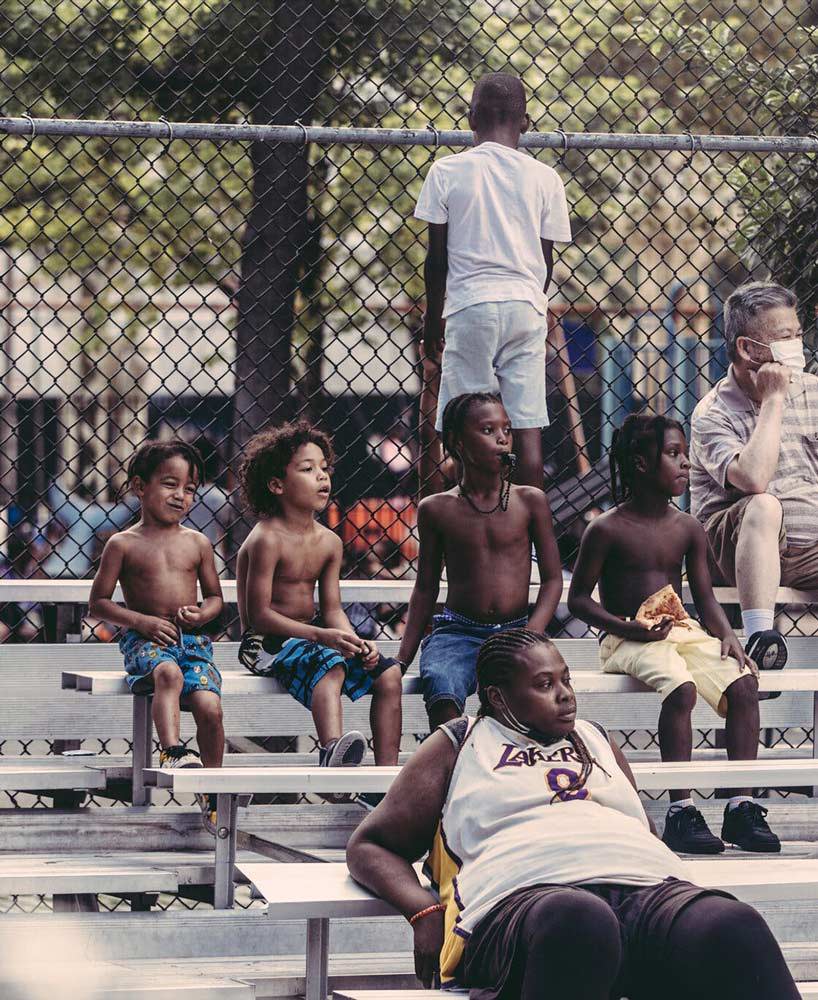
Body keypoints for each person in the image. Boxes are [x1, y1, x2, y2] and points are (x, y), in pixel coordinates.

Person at [347, 630, 798, 1000]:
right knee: (580, 923)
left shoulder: (595, 736)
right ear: (498, 698)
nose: (565, 697)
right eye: (545, 686)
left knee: (733, 926)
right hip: (522, 900)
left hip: (644, 887)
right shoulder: (459, 742)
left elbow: (640, 826)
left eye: (566, 680)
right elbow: (370, 845)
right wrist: (422, 912)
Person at [567, 413, 779, 854]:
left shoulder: (687, 528)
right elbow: (579, 600)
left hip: (680, 628)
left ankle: (741, 805)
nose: (685, 463)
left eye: (685, 454)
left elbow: (703, 599)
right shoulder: (605, 528)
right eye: (673, 454)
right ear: (641, 464)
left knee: (743, 685)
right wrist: (628, 628)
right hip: (625, 636)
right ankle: (681, 810)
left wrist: (728, 637)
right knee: (680, 688)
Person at [414, 71, 572, 488]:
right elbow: (546, 261)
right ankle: (531, 533)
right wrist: (532, 304)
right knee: (527, 427)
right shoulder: (546, 178)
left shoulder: (446, 171)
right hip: (525, 306)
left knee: (469, 423)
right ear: (525, 121)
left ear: (470, 119)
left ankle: (474, 525)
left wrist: (434, 321)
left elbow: (437, 260)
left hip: (471, 307)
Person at [235, 421, 403, 809]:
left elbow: (331, 610)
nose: (321, 476)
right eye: (307, 469)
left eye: (324, 468)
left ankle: (385, 783)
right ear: (277, 485)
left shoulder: (330, 541)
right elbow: (258, 616)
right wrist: (323, 638)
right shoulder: (266, 538)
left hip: (312, 640)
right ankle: (332, 757)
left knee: (389, 672)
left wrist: (353, 641)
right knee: (331, 664)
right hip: (264, 644)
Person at [397, 392, 562, 730]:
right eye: (488, 430)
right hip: (458, 632)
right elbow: (425, 588)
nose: (502, 438)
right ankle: (452, 767)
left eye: (507, 429)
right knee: (442, 685)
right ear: (457, 441)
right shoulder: (437, 509)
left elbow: (552, 580)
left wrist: (532, 635)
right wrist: (402, 659)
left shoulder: (530, 501)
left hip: (517, 628)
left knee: (534, 693)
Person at [88, 440, 225, 827]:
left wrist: (202, 614)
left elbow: (215, 598)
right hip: (145, 642)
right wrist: (141, 621)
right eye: (170, 484)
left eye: (190, 488)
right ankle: (171, 750)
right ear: (139, 487)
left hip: (192, 642)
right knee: (168, 675)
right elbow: (98, 603)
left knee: (210, 707)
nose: (181, 496)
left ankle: (213, 787)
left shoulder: (197, 543)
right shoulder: (123, 544)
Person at [690, 280, 818, 670]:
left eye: (798, 334)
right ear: (747, 348)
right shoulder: (712, 412)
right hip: (737, 546)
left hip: (810, 549)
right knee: (763, 504)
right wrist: (774, 398)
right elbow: (754, 479)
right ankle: (760, 637)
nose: (797, 345)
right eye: (785, 337)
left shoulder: (813, 392)